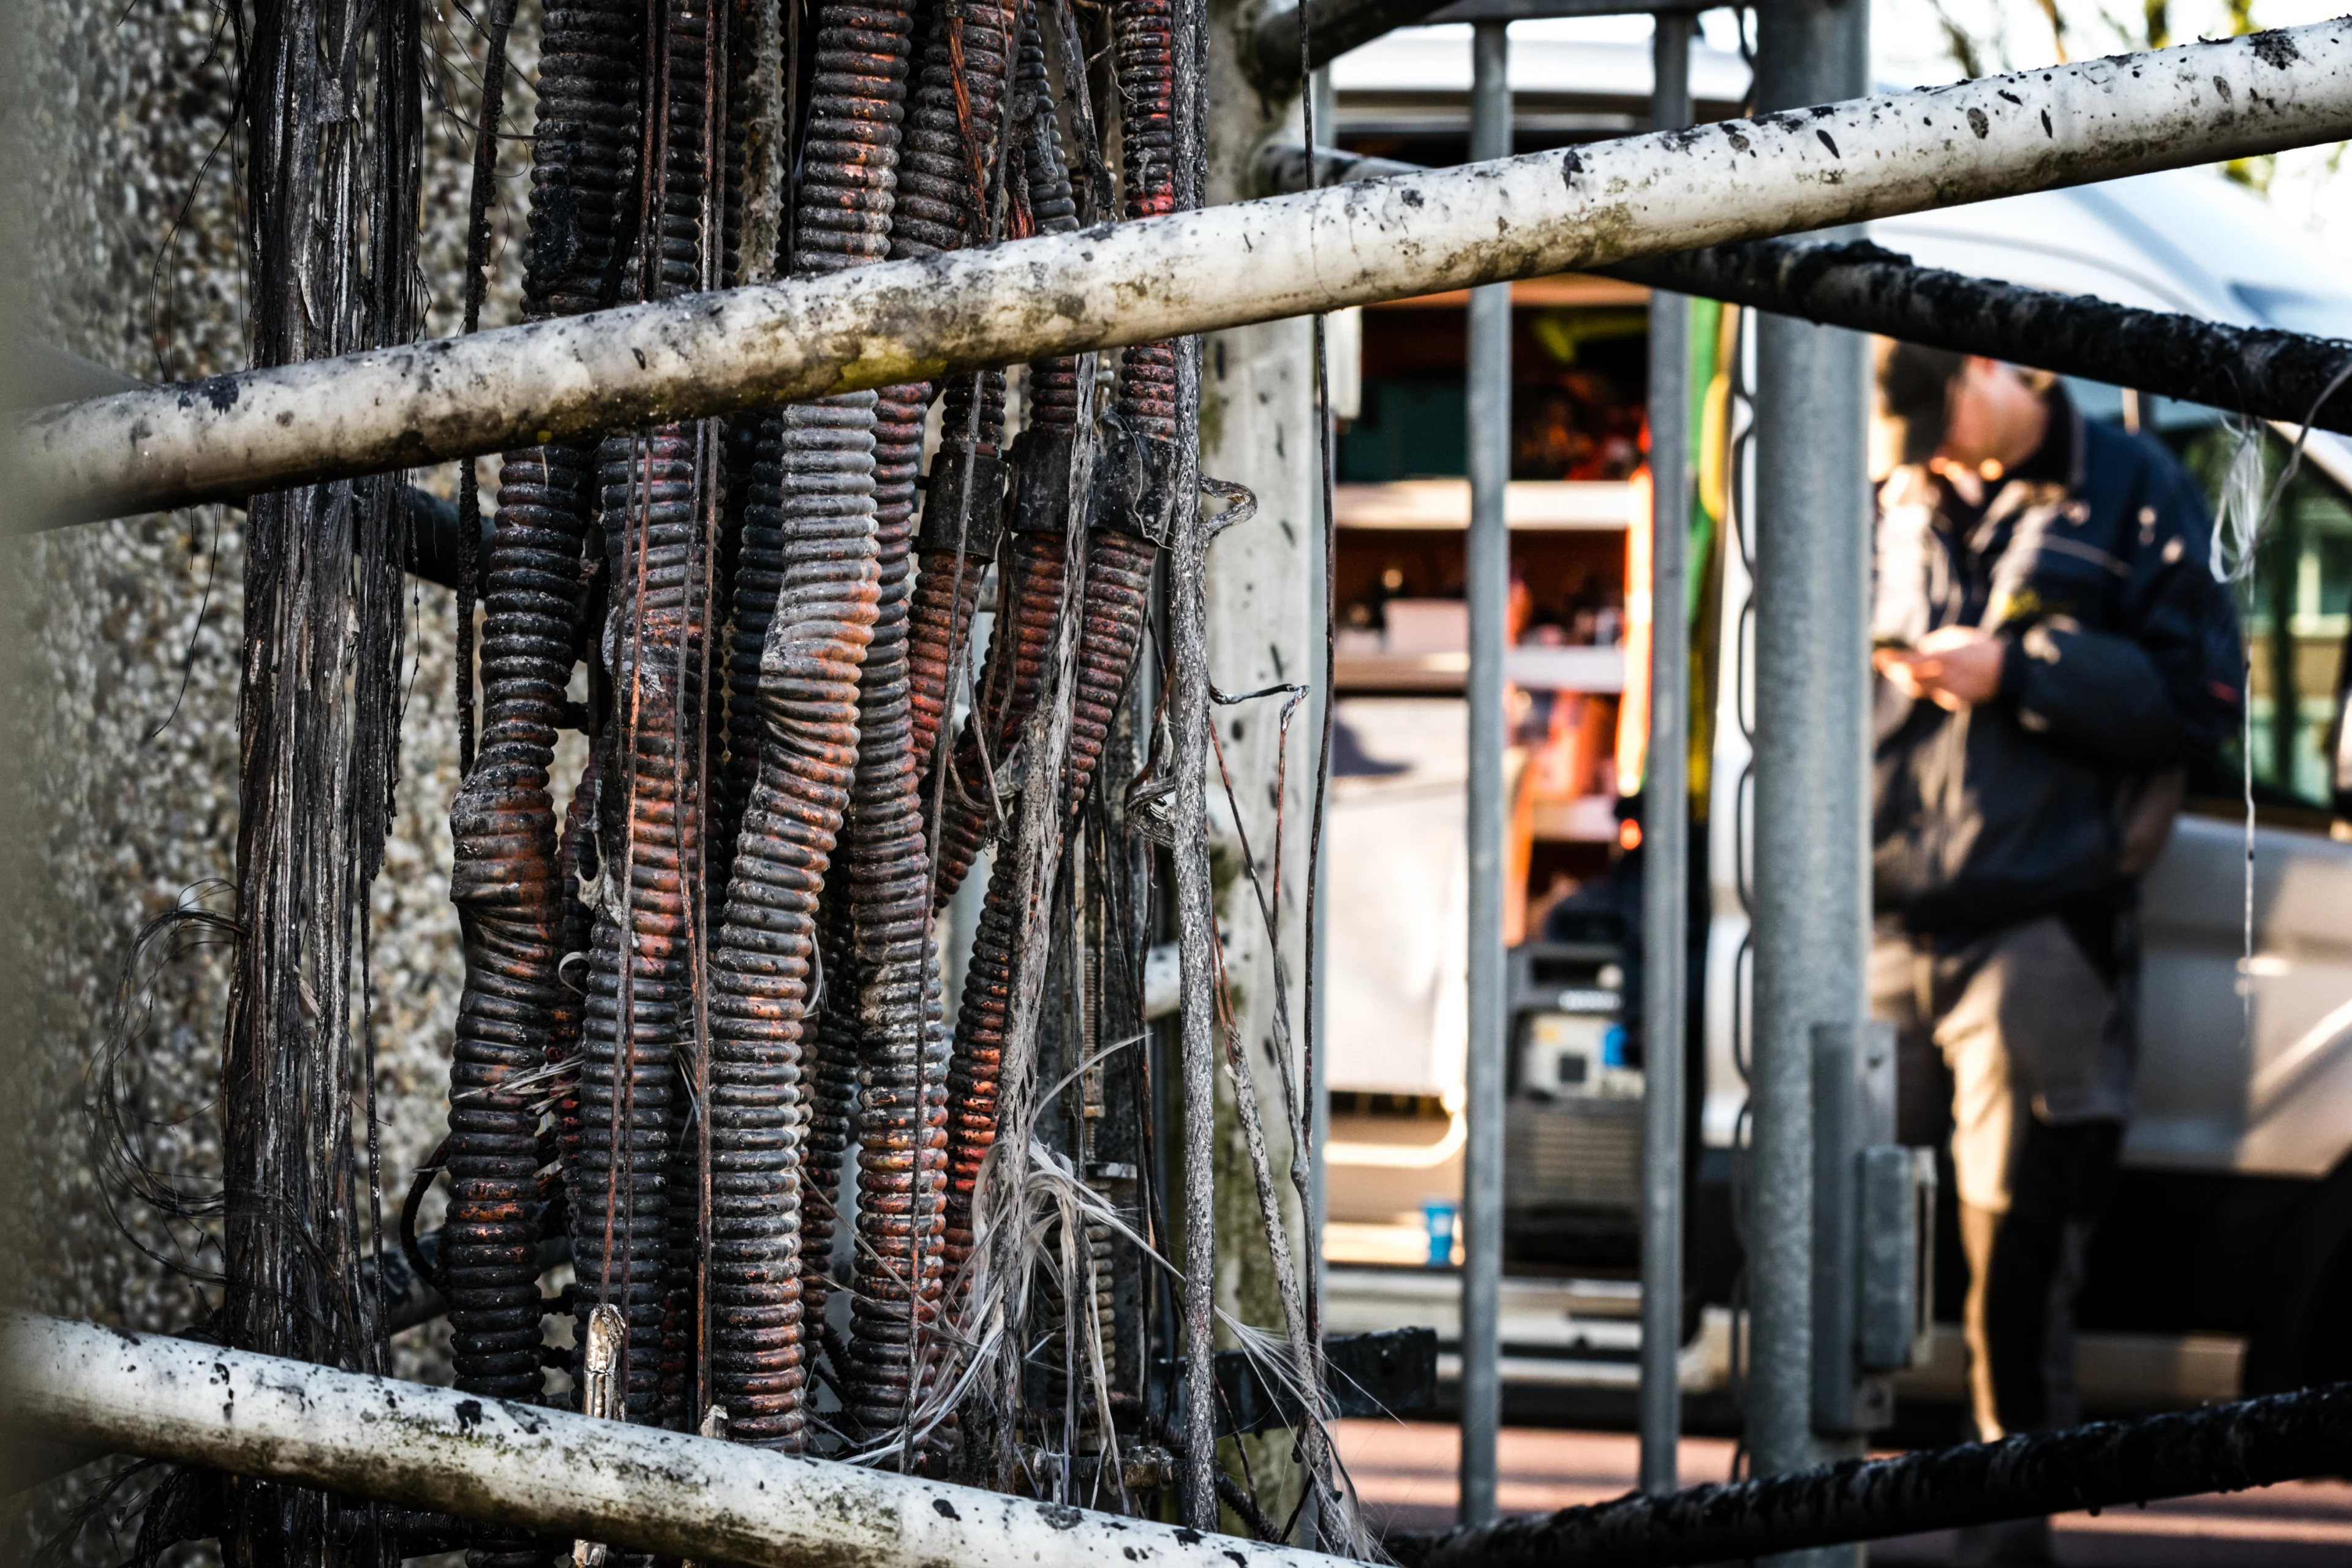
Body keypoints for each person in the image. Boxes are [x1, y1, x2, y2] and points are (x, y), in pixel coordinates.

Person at [1868, 345, 2243, 1564]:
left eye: (1940, 420)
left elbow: (2206, 699)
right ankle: (1811, 1525)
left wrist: (2023, 671)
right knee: (1827, 1237)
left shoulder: (2138, 488)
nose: (1930, 454)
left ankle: (2006, 1533)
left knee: (2018, 1255)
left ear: (1997, 366)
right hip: (1875, 920)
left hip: (2042, 928)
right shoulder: (1893, 485)